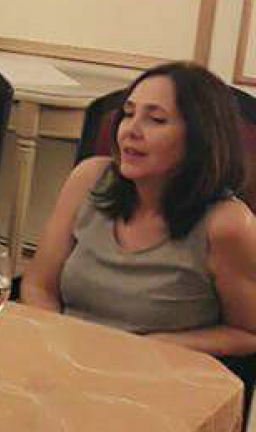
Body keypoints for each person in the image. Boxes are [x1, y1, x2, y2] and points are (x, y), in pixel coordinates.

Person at [22, 62, 256, 357]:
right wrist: (56, 344)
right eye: (129, 114)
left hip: (158, 377)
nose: (131, 131)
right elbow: (38, 285)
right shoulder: (89, 178)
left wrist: (157, 347)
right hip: (65, 360)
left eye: (156, 120)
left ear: (200, 137)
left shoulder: (228, 224)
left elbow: (249, 333)